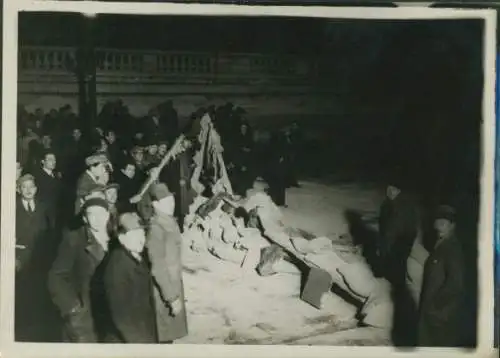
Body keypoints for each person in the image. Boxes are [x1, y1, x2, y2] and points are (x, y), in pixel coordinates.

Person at [48, 197, 113, 343]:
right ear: (85, 218)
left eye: (101, 213)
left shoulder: (114, 238)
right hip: (85, 317)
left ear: (108, 215)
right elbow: (55, 276)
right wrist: (72, 308)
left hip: (110, 314)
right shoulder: (74, 239)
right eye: (91, 214)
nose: (97, 218)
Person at [15, 174, 58, 341]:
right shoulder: (11, 208)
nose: (28, 190)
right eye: (24, 187)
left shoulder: (44, 207)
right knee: (22, 293)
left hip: (40, 259)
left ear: (36, 189)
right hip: (20, 258)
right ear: (18, 189)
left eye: (31, 187)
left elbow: (51, 232)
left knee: (39, 293)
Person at [103, 213, 158, 343]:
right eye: (135, 235)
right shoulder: (117, 267)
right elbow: (121, 318)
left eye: (143, 234)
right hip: (129, 340)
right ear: (122, 238)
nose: (142, 239)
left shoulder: (136, 256)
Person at [417, 205, 465, 347]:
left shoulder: (452, 249)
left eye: (443, 224)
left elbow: (456, 283)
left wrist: (435, 306)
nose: (438, 227)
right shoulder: (441, 245)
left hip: (440, 316)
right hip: (434, 313)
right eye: (437, 223)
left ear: (452, 226)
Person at [146, 183, 188, 343]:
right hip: (165, 292)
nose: (172, 204)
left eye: (172, 200)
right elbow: (157, 267)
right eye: (166, 201)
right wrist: (171, 298)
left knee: (170, 336)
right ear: (155, 205)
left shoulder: (169, 222)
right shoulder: (156, 228)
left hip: (173, 284)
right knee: (164, 338)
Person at [378, 178, 419, 286]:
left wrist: (399, 248)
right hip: (387, 244)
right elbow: (384, 226)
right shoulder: (387, 204)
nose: (390, 192)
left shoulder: (405, 207)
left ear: (399, 191)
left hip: (398, 246)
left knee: (396, 274)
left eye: (394, 189)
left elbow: (409, 230)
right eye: (388, 188)